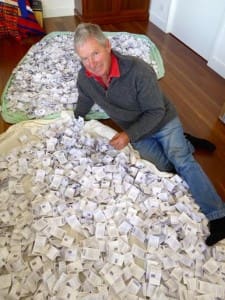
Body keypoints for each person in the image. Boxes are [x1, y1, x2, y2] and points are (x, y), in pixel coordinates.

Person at [73, 23, 225, 246]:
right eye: (84, 58)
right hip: (137, 129)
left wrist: (127, 135)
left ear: (107, 46)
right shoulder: (85, 77)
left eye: (95, 53)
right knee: (162, 167)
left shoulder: (138, 70)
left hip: (162, 120)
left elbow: (156, 111)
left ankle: (218, 214)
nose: (92, 63)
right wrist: (75, 120)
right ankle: (187, 141)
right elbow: (85, 99)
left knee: (181, 160)